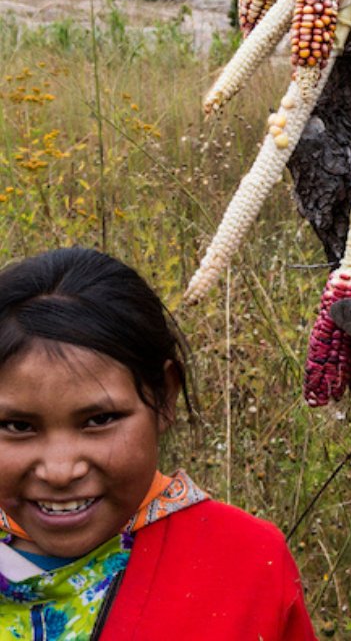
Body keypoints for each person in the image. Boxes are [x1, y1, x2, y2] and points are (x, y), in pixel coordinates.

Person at [0, 247, 317, 640]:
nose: (61, 471)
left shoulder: (244, 563)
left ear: (164, 398)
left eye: (99, 420)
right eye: (16, 426)